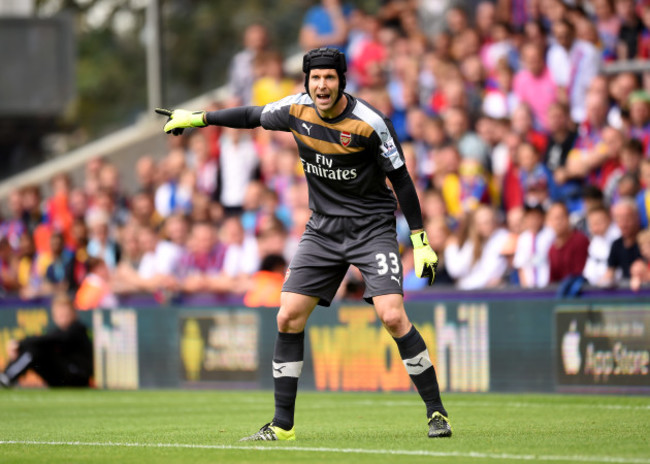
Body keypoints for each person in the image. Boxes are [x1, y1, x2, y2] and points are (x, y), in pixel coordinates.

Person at [155, 47, 449, 440]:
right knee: (287, 315)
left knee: (393, 316)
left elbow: (402, 180)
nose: (321, 85)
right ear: (307, 82)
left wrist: (420, 238)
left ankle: (437, 413)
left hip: (371, 228)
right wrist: (196, 118)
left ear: (341, 80)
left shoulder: (370, 123)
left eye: (329, 77)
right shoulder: (297, 109)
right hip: (323, 230)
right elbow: (251, 116)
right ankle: (282, 426)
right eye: (315, 78)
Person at [0, 292, 93, 388]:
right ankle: (6, 375)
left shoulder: (77, 329)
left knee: (34, 350)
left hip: (77, 378)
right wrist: (19, 346)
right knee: (33, 348)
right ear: (54, 315)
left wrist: (19, 343)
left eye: (66, 314)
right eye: (60, 314)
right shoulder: (57, 331)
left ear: (74, 313)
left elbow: (52, 339)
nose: (63, 317)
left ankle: (6, 377)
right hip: (62, 378)